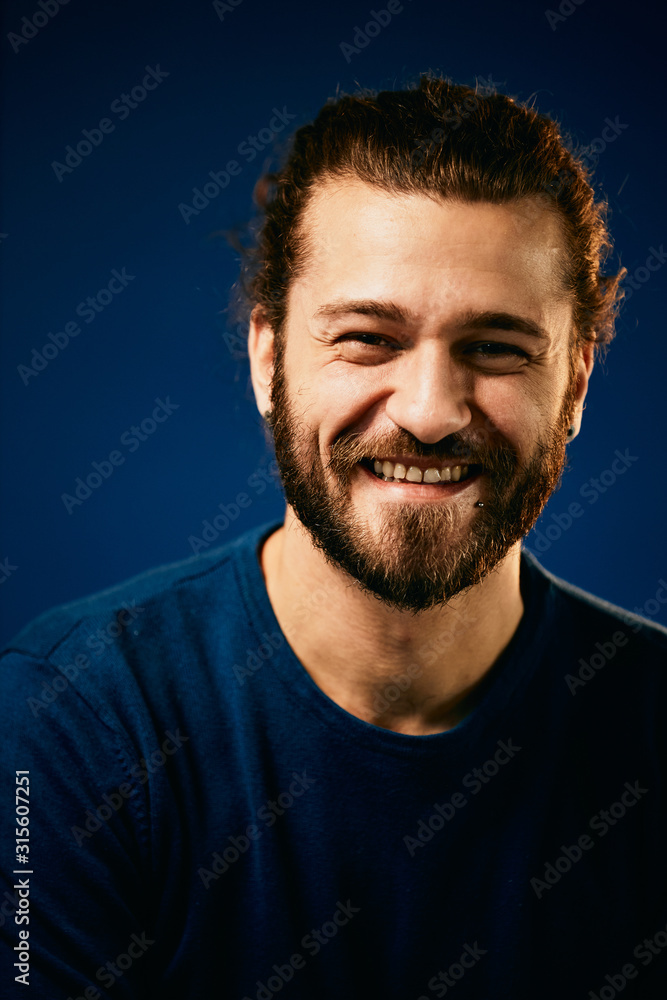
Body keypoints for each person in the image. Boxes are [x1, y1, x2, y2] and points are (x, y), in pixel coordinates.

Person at [1, 73, 666, 999]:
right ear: (268, 360)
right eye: (366, 338)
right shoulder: (72, 726)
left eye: (497, 348)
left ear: (578, 382)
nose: (430, 412)